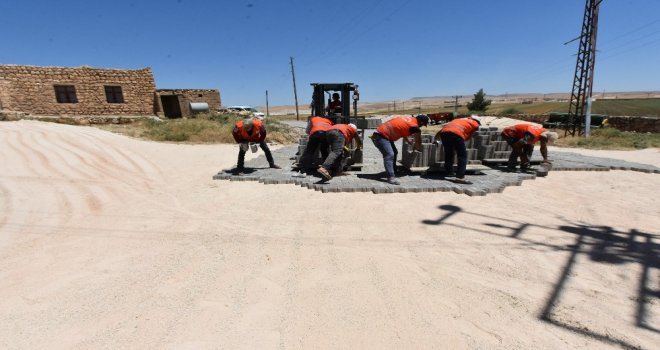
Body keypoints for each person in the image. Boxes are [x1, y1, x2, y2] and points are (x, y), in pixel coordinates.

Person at [371, 114, 429, 185]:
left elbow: (402, 129)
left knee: (394, 152)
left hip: (383, 135)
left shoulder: (408, 119)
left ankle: (394, 170)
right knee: (389, 154)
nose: (421, 126)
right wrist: (417, 147)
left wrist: (408, 141)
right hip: (380, 136)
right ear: (422, 122)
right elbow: (418, 142)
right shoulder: (415, 126)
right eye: (423, 125)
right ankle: (390, 177)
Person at [438, 115, 481, 184]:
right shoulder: (476, 124)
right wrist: (460, 144)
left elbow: (445, 128)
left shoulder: (458, 119)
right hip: (457, 134)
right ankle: (460, 177)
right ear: (478, 121)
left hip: (444, 133)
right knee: (462, 156)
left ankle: (449, 172)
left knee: (448, 153)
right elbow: (469, 136)